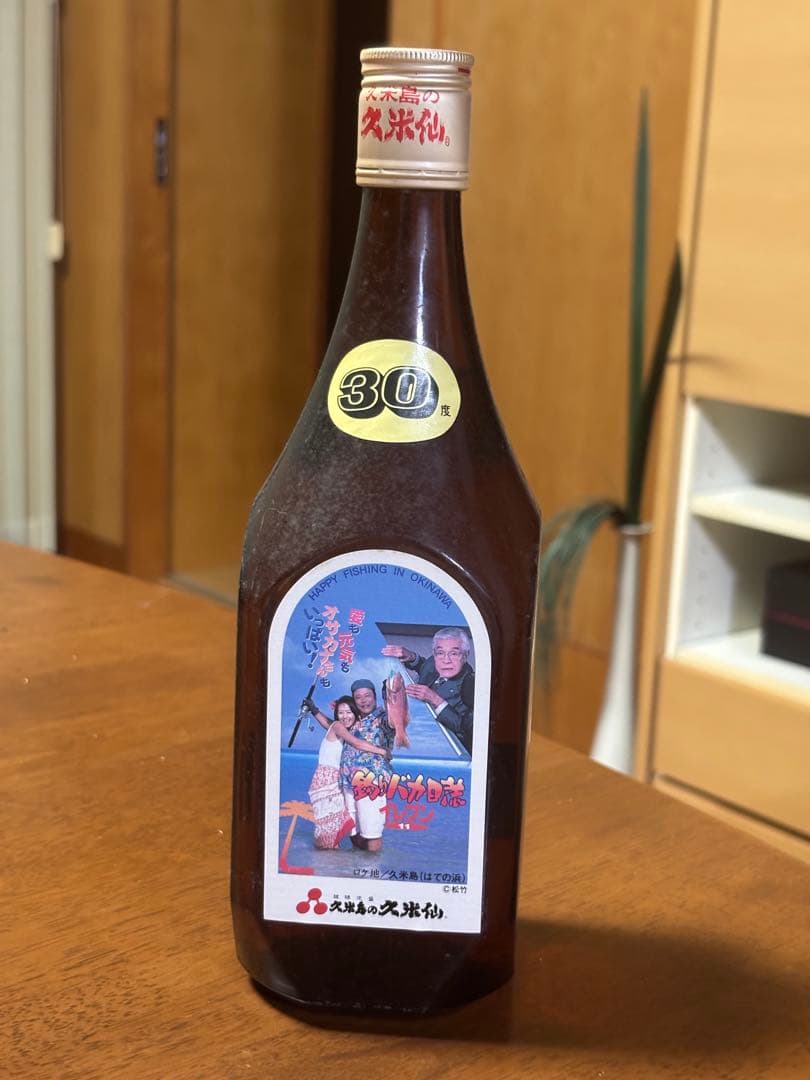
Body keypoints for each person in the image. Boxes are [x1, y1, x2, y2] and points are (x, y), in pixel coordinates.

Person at [304, 695, 390, 849]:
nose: (345, 716)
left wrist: (314, 709)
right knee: (329, 827)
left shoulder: (337, 726)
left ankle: (338, 859)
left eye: (349, 712)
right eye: (341, 713)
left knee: (333, 824)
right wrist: (382, 751)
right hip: (328, 780)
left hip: (331, 779)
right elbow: (356, 743)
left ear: (355, 713)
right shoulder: (338, 726)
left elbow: (326, 722)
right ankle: (328, 857)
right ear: (336, 715)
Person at [382, 628, 475, 755]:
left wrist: (435, 700)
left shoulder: (471, 685)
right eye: (440, 653)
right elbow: (425, 667)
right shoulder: (433, 662)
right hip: (412, 722)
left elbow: (466, 730)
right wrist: (412, 657)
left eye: (454, 653)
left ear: (465, 655)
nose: (446, 660)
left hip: (437, 744)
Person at [338, 678, 396, 853]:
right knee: (353, 831)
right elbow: (332, 725)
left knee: (371, 832)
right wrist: (314, 710)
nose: (363, 700)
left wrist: (389, 694)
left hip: (371, 782)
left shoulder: (383, 717)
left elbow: (394, 720)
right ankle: (359, 864)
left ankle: (373, 867)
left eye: (367, 695)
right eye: (358, 697)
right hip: (348, 782)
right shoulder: (354, 720)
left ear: (375, 697)